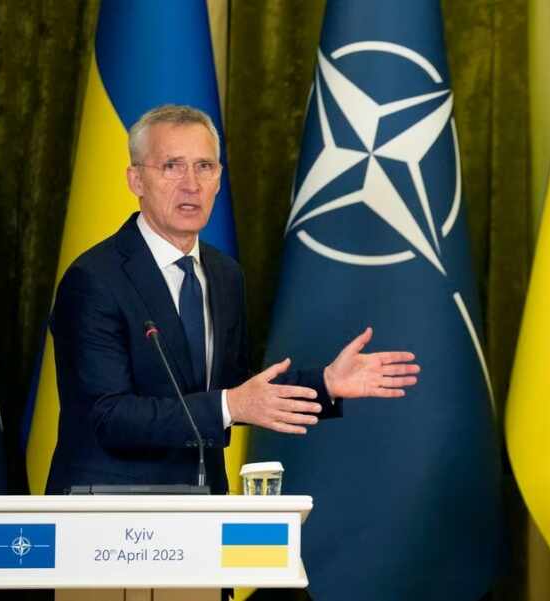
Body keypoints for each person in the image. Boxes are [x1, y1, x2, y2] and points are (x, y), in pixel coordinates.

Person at [46, 105, 421, 495]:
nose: (191, 184)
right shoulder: (94, 279)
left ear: (219, 179)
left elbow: (233, 389)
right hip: (109, 509)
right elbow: (109, 415)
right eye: (172, 166)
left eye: (204, 167)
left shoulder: (224, 274)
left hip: (202, 504)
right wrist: (230, 405)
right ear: (136, 180)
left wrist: (324, 383)